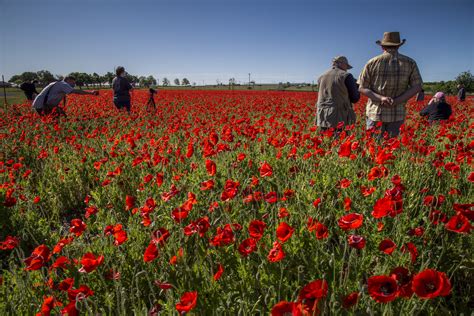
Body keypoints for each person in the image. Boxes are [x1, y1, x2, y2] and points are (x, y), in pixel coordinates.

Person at [359, 32, 423, 138]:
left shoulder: (372, 62)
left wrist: (381, 98)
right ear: (398, 46)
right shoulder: (410, 62)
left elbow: (361, 88)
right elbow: (417, 86)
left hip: (375, 113)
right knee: (391, 149)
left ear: (382, 47)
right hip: (397, 114)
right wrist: (397, 100)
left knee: (374, 149)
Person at [316, 56, 360, 132]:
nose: (346, 69)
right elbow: (355, 98)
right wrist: (357, 88)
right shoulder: (346, 76)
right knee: (339, 140)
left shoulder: (321, 77)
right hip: (339, 116)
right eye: (346, 66)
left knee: (325, 141)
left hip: (322, 116)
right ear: (341, 64)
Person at [32, 76, 98, 116]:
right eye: (73, 82)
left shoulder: (59, 84)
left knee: (60, 116)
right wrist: (91, 93)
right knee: (58, 118)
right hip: (42, 105)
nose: (74, 84)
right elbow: (76, 91)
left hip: (42, 104)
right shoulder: (63, 84)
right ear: (68, 80)